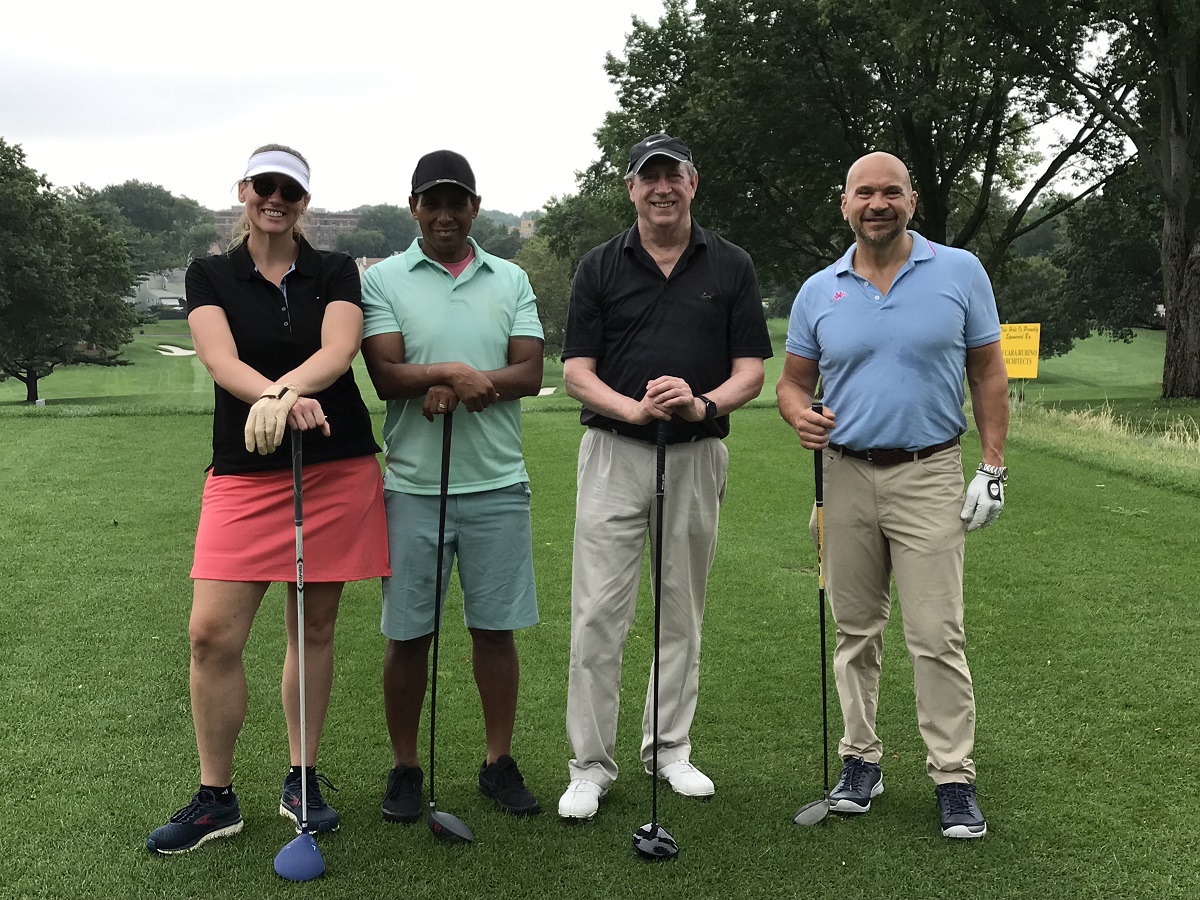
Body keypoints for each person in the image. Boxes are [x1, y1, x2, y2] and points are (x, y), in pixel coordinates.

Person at [147, 144, 389, 854]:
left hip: (335, 467)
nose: (276, 198)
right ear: (245, 191)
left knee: (311, 631)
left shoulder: (336, 270)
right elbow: (221, 361)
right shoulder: (210, 273)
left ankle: (302, 779)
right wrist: (278, 402)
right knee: (211, 634)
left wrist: (286, 395)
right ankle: (215, 797)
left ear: (304, 201)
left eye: (290, 189)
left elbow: (338, 352)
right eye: (264, 186)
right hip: (243, 471)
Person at [776, 151, 1009, 839]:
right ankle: (860, 761)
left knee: (935, 633)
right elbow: (791, 382)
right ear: (843, 204)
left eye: (891, 192)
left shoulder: (960, 271)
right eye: (864, 193)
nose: (878, 203)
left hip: (929, 470)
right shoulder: (821, 289)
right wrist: (797, 413)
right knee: (855, 629)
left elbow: (988, 373)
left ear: (911, 201)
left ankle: (953, 776)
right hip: (844, 474)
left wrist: (992, 466)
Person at [556, 134, 773, 821]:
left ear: (692, 184)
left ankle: (669, 749)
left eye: (672, 177)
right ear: (631, 190)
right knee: (598, 615)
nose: (661, 189)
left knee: (680, 608)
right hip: (615, 450)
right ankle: (590, 766)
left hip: (695, 451)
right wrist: (634, 406)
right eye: (648, 179)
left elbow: (751, 372)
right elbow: (575, 371)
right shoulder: (600, 265)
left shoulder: (730, 264)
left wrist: (702, 403)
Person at [360, 150, 544, 823]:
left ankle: (498, 762)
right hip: (413, 485)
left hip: (498, 482)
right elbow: (384, 372)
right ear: (414, 208)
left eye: (456, 202)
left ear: (475, 206)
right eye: (431, 202)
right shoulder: (383, 280)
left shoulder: (511, 278)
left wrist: (463, 382)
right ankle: (406, 767)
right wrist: (448, 373)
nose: (444, 214)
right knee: (408, 636)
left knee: (495, 631)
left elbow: (529, 370)